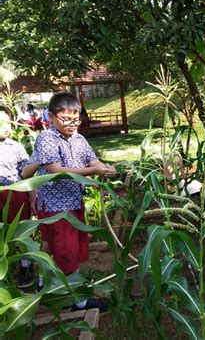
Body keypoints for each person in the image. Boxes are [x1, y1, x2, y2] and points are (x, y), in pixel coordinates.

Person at [33, 92, 115, 311]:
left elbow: (92, 159)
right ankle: (77, 300)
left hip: (74, 201)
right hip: (55, 207)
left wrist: (104, 168)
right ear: (51, 116)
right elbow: (55, 171)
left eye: (76, 118)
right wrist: (93, 170)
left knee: (67, 248)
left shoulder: (79, 138)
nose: (72, 124)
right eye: (66, 119)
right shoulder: (46, 138)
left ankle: (49, 281)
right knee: (65, 250)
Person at [0, 105, 38, 288]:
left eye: (8, 122)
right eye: (1, 123)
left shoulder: (16, 147)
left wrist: (32, 198)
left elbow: (27, 174)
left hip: (15, 194)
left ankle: (26, 267)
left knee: (22, 231)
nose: (6, 127)